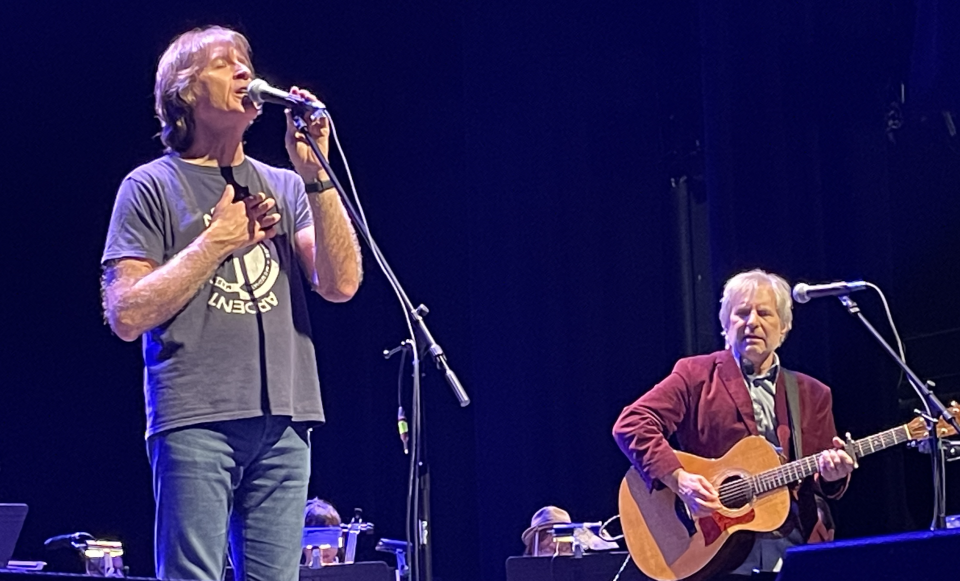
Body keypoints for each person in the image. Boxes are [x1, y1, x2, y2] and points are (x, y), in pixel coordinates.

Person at [100, 25, 362, 581]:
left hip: (286, 420)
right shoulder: (149, 187)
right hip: (197, 418)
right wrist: (216, 241)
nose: (244, 71)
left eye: (245, 61)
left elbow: (340, 283)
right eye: (223, 64)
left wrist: (316, 176)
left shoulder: (285, 186)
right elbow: (126, 314)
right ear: (185, 94)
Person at [612, 269, 855, 577]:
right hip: (716, 556)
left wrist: (834, 473)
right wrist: (678, 479)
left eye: (764, 313)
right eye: (741, 313)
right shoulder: (696, 375)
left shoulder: (813, 394)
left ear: (783, 328)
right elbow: (632, 423)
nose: (752, 321)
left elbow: (821, 478)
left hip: (795, 553)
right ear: (726, 326)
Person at [303, 498, 342, 565]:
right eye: (315, 539)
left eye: (329, 539)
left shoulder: (347, 572)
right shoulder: (292, 573)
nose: (325, 547)